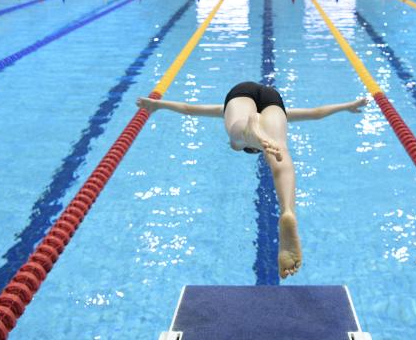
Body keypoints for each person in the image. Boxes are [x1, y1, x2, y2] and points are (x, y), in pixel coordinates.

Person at [137, 82, 367, 279]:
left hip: (243, 96)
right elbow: (318, 112)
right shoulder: (250, 113)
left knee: (236, 141)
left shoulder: (228, 112)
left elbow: (189, 109)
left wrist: (158, 105)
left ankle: (245, 135)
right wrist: (348, 106)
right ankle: (287, 209)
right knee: (280, 151)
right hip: (271, 99)